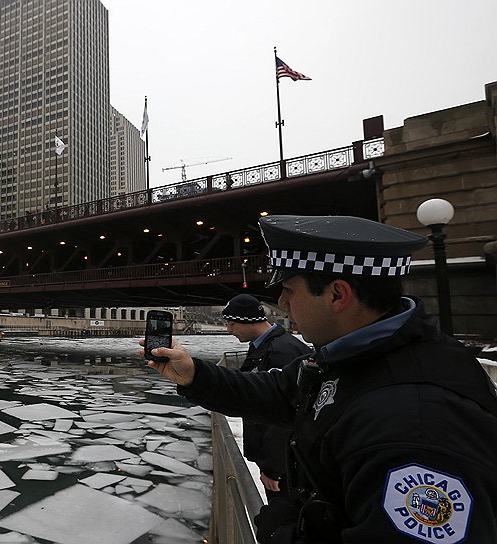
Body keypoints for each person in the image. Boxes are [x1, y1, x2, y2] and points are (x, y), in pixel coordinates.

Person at [140, 215, 497, 543]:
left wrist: (285, 532)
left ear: (337, 295)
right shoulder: (352, 357)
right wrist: (193, 374)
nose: (281, 302)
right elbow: (279, 393)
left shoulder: (418, 422)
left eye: (289, 290)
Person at [222, 294, 310, 503]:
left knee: (285, 513)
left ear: (247, 321)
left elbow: (283, 412)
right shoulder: (271, 346)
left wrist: (273, 467)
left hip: (288, 465)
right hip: (289, 459)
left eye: (231, 323)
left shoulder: (279, 352)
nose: (229, 330)